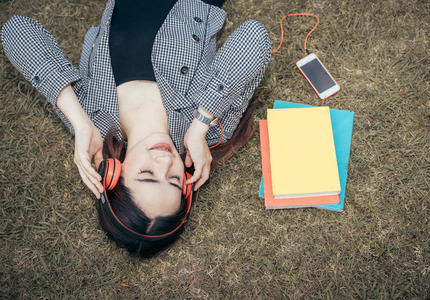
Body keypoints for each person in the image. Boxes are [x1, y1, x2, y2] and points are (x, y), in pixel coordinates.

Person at [1, 0, 271, 257]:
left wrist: (79, 121)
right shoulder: (206, 131)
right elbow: (254, 37)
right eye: (175, 180)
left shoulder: (94, 124)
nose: (165, 162)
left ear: (114, 174)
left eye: (147, 174)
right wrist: (201, 124)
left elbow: (16, 31)